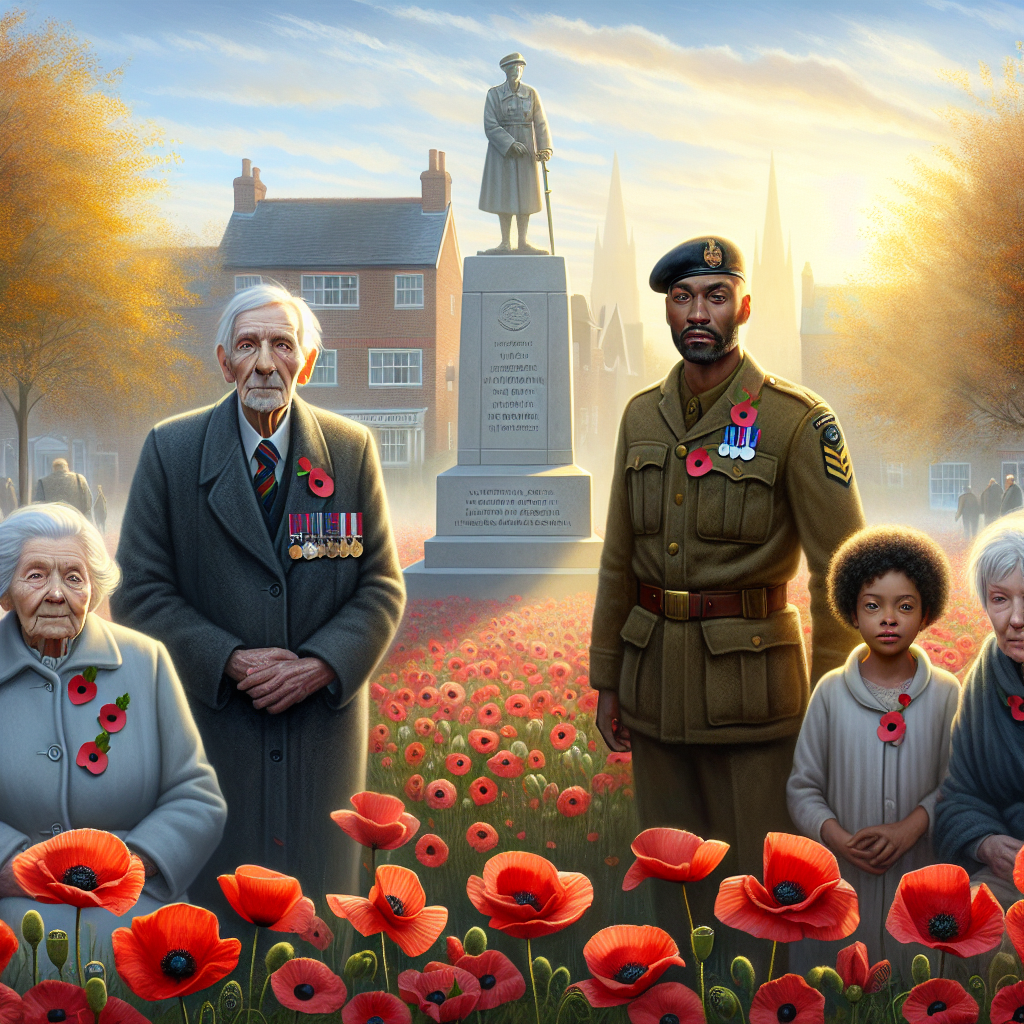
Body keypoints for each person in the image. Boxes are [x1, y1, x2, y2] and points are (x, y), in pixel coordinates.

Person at [589, 236, 866, 969]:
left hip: (755, 697)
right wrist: (608, 675)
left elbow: (844, 573)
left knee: (765, 893)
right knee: (669, 888)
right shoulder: (641, 418)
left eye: (715, 296)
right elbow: (620, 555)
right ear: (668, 311)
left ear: (744, 305)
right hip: (654, 691)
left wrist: (834, 703)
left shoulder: (796, 421)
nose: (698, 313)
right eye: (683, 298)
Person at [110, 282, 405, 927]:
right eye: (248, 345)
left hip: (320, 728)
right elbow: (137, 591)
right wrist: (232, 660)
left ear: (307, 362)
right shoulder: (172, 449)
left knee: (319, 908)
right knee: (212, 917)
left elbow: (381, 584)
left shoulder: (351, 449)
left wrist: (322, 664)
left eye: (281, 345)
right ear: (224, 362)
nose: (265, 362)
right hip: (215, 724)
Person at [0, 503, 225, 965]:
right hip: (10, 908)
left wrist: (134, 869)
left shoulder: (146, 661)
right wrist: (10, 869)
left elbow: (197, 795)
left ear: (95, 589)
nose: (57, 594)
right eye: (36, 575)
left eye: (74, 577)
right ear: (5, 591)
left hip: (138, 908)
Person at [787, 525, 959, 984]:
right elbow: (803, 787)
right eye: (873, 605)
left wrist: (910, 828)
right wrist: (838, 838)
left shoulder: (946, 693)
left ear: (926, 614)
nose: (889, 618)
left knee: (913, 987)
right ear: (851, 611)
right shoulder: (829, 693)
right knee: (836, 988)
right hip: (839, 877)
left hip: (918, 873)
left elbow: (957, 784)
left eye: (905, 606)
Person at [935, 511, 1024, 910]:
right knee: (966, 924)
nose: (1016, 620)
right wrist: (986, 842)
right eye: (1000, 599)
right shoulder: (984, 680)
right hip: (1011, 873)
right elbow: (959, 793)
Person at [479, 52, 552, 254]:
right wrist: (509, 144)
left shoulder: (531, 93)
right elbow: (490, 125)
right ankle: (505, 242)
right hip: (502, 152)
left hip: (527, 149)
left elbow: (540, 122)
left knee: (525, 195)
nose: (516, 71)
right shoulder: (493, 94)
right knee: (505, 195)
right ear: (505, 70)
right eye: (512, 67)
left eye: (520, 67)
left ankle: (522, 242)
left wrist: (544, 148)